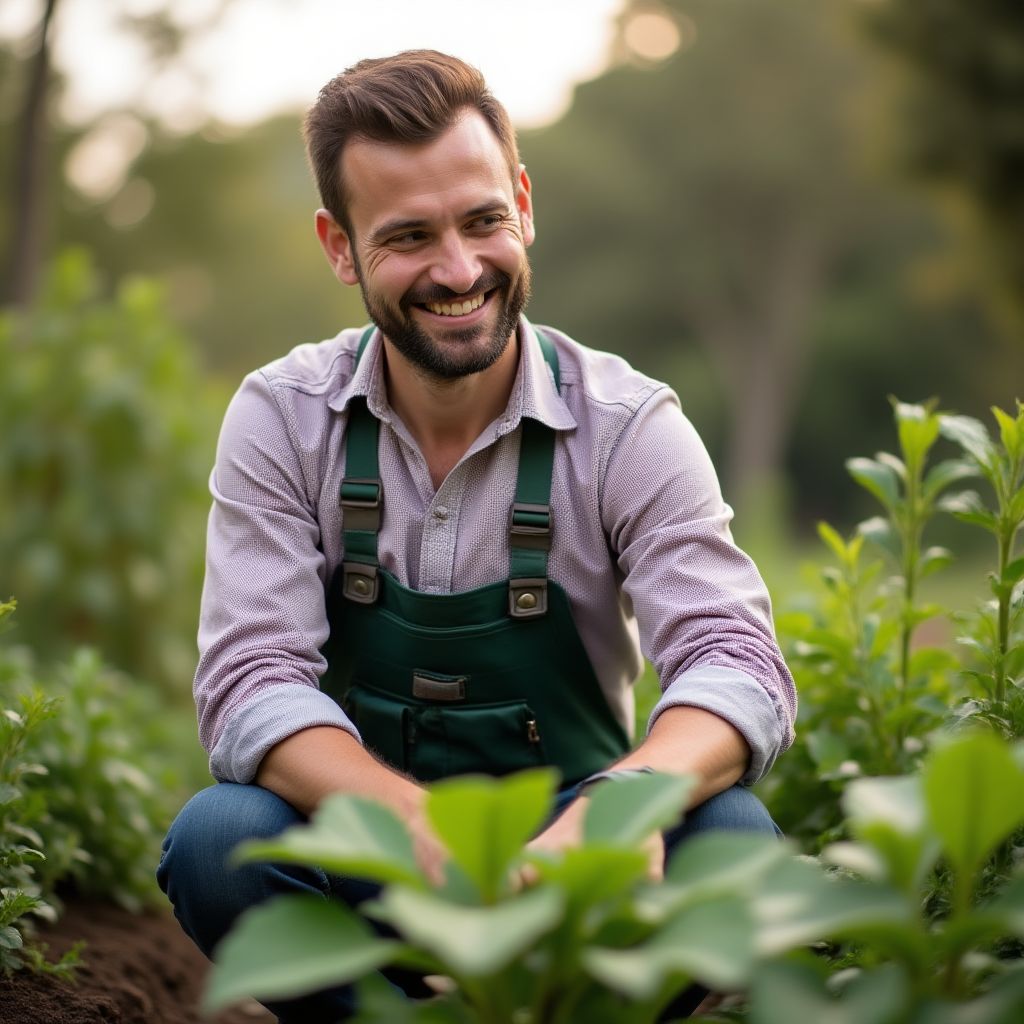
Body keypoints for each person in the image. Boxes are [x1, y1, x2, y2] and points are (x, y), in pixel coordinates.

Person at [158, 49, 796, 1022]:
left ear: (524, 203)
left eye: (483, 220)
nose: (458, 270)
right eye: (408, 235)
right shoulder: (282, 418)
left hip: (578, 868)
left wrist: (615, 814)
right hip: (370, 849)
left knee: (736, 841)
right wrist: (414, 826)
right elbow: (251, 685)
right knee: (217, 839)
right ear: (339, 247)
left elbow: (737, 664)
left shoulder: (629, 424)